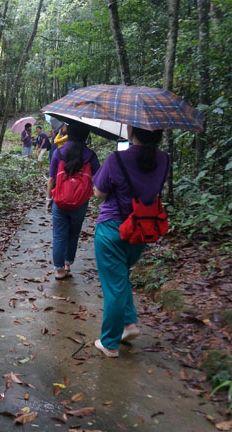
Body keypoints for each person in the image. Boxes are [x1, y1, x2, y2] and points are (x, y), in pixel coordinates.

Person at [92, 126, 170, 358]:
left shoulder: (116, 158)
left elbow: (99, 193)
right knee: (121, 276)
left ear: (131, 130)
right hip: (142, 230)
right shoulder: (164, 159)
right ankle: (129, 323)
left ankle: (110, 343)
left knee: (113, 287)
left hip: (112, 230)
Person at [45, 122, 100, 280]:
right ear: (86, 135)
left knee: (59, 235)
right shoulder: (90, 155)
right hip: (80, 202)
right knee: (74, 234)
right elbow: (97, 179)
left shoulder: (59, 152)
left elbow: (51, 179)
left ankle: (59, 270)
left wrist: (48, 199)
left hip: (60, 201)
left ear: (68, 132)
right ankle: (68, 264)